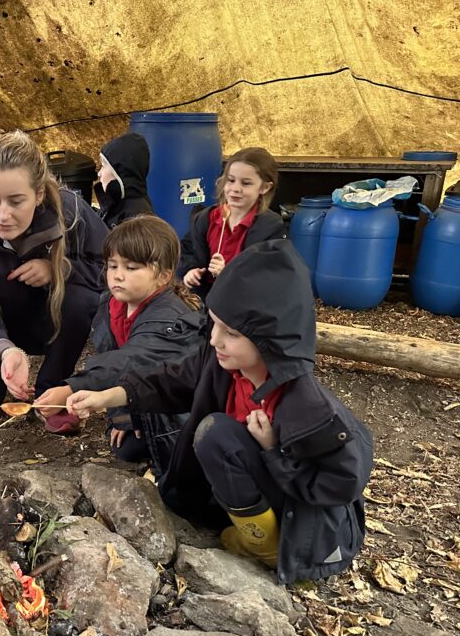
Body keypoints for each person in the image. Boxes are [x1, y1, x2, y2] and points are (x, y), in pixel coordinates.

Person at [68, 240, 371, 583]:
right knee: (207, 435)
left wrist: (274, 451)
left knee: (216, 433)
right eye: (213, 325)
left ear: (270, 339)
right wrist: (105, 396)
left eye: (232, 333)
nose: (214, 340)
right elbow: (167, 380)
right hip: (248, 489)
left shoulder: (309, 408)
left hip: (300, 525)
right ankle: (235, 521)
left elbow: (343, 483)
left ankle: (265, 546)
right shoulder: (222, 364)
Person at [0, 130, 109, 434]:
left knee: (81, 300)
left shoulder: (71, 213)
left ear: (38, 194)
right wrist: (3, 350)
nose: (2, 215)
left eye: (16, 201)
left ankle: (50, 393)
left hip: (47, 321)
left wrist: (58, 269)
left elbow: (108, 266)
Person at [34, 215, 203, 478]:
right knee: (125, 445)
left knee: (152, 452)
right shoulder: (111, 306)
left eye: (132, 268)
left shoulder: (170, 319)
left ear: (163, 276)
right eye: (112, 266)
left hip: (179, 410)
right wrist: (123, 416)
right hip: (141, 395)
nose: (117, 276)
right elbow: (112, 357)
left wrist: (73, 387)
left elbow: (131, 360)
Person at [179, 147, 286, 299]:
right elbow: (188, 250)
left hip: (242, 306)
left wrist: (228, 274)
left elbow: (269, 276)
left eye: (246, 183)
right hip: (204, 302)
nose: (235, 188)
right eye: (231, 180)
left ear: (264, 187)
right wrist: (191, 271)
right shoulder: (205, 219)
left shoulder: (270, 227)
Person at [94, 132, 155, 229]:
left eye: (104, 166)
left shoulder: (136, 219)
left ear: (120, 172)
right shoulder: (120, 203)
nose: (99, 173)